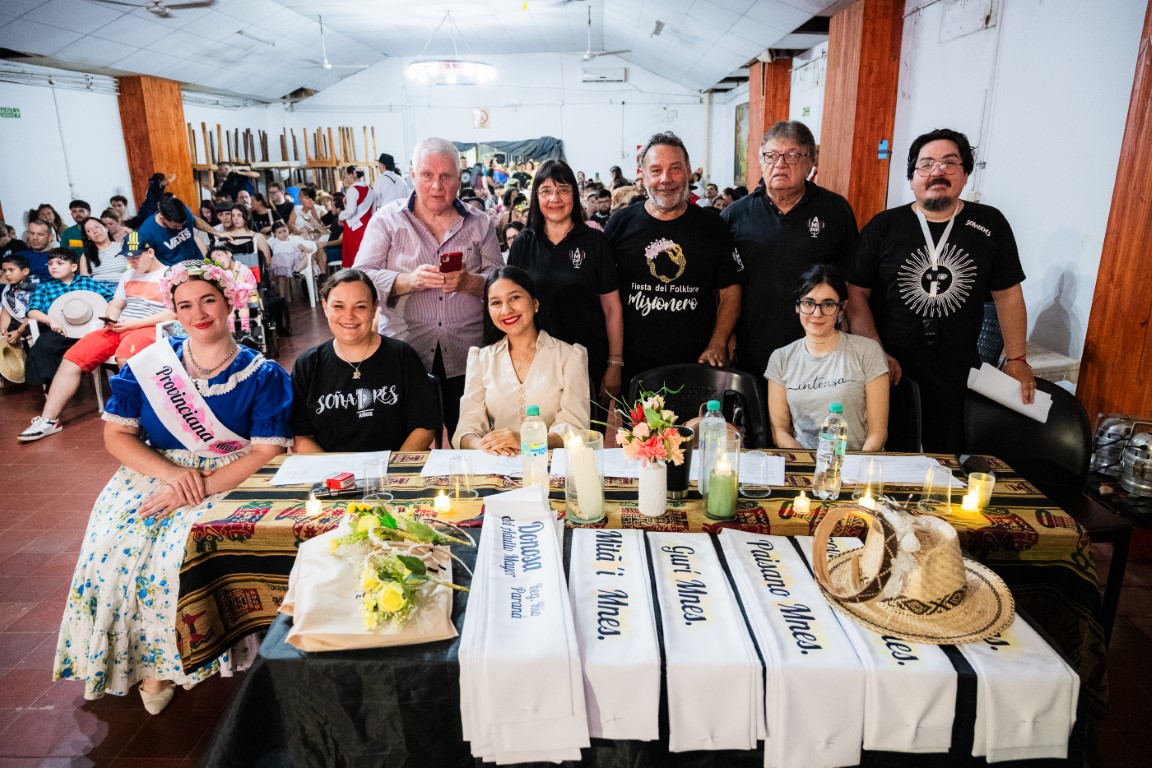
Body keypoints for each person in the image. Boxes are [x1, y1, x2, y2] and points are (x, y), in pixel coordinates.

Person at [52, 258, 292, 713]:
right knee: (113, 549)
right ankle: (138, 660)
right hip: (156, 471)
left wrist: (201, 484)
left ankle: (181, 659)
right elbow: (117, 435)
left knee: (177, 555)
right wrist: (172, 476)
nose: (198, 313)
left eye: (208, 301)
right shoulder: (149, 365)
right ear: (174, 311)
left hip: (230, 475)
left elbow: (265, 452)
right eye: (185, 305)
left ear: (229, 302)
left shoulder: (262, 374)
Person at [846, 127, 1034, 452]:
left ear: (965, 174)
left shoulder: (990, 224)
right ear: (912, 178)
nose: (937, 172)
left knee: (948, 458)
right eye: (926, 164)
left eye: (949, 163)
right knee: (888, 454)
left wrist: (1017, 358)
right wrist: (875, 351)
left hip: (958, 368)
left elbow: (1008, 294)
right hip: (891, 366)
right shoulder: (884, 227)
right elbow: (855, 294)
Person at [353, 137, 503, 437]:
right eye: (427, 175)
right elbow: (359, 279)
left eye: (446, 176)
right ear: (412, 175)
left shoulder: (480, 223)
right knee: (405, 443)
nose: (436, 186)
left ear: (459, 179)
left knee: (473, 439)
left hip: (467, 355)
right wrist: (407, 281)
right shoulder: (387, 220)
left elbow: (501, 282)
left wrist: (470, 282)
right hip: (404, 355)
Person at [723, 121, 858, 383]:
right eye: (771, 155)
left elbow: (852, 280)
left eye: (792, 155)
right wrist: (724, 335)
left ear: (810, 163)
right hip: (752, 347)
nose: (780, 164)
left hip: (819, 348)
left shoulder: (836, 210)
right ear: (761, 161)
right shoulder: (735, 216)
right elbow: (722, 287)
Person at [605, 131, 744, 387]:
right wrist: (614, 361)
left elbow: (730, 290)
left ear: (688, 171)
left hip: (697, 366)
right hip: (634, 367)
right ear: (643, 175)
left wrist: (718, 342)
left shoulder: (712, 226)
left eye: (675, 169)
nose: (665, 179)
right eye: (656, 170)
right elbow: (606, 297)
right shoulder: (619, 225)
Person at [17, 235, 174, 442]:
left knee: (125, 358)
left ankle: (143, 422)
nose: (132, 262)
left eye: (136, 257)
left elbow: (174, 313)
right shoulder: (128, 275)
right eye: (128, 258)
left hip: (150, 327)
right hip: (122, 326)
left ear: (150, 252)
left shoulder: (170, 275)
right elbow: (116, 303)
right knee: (72, 357)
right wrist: (112, 317)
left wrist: (134, 324)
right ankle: (49, 420)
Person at [508, 159, 624, 408]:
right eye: (546, 191)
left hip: (588, 360)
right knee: (538, 429)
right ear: (536, 197)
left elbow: (612, 308)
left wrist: (615, 363)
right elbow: (512, 307)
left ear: (574, 194)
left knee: (586, 431)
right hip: (536, 363)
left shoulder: (595, 241)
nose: (555, 198)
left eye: (563, 190)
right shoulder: (523, 244)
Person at [292, 270, 439, 452]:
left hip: (394, 464)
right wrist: (333, 469)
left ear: (374, 308)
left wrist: (393, 465)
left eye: (360, 306)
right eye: (338, 306)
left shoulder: (402, 356)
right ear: (325, 307)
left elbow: (424, 427)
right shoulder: (308, 365)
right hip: (331, 468)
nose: (349, 316)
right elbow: (301, 436)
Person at [453, 266, 589, 454]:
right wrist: (486, 445)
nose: (506, 310)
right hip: (499, 461)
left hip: (553, 464)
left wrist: (528, 441)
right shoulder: (481, 359)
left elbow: (576, 427)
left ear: (535, 303)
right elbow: (466, 429)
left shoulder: (570, 356)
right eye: (496, 302)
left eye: (514, 297)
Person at [766, 265, 889, 452]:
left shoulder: (868, 351)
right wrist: (813, 464)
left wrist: (856, 466)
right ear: (797, 306)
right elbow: (780, 433)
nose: (817, 313)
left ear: (842, 308)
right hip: (806, 462)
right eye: (809, 303)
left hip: (860, 461)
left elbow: (878, 433)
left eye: (828, 304)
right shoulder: (781, 358)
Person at [21, 249, 116, 392]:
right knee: (45, 345)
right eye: (50, 264)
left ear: (73, 267)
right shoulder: (45, 287)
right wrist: (51, 320)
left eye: (59, 263)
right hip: (60, 332)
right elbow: (32, 311)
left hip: (89, 331)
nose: (53, 267)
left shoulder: (87, 282)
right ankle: (53, 386)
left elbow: (111, 300)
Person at [133, 195, 221, 266]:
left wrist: (218, 233)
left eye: (183, 224)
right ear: (162, 217)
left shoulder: (183, 210)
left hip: (197, 262)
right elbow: (142, 257)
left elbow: (194, 220)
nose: (180, 228)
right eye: (175, 226)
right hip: (174, 273)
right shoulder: (146, 232)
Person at [267, 221, 316, 301]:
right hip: (281, 262)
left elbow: (300, 246)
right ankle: (282, 297)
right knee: (281, 276)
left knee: (306, 256)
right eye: (280, 233)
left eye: (285, 231)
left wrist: (307, 249)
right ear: (274, 234)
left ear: (288, 229)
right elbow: (265, 247)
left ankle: (297, 271)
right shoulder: (272, 241)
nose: (283, 234)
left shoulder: (293, 239)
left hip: (293, 261)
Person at [79, 216, 130, 288]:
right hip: (98, 290)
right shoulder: (86, 256)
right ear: (88, 237)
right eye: (89, 231)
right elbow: (85, 282)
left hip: (122, 288)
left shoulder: (122, 247)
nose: (95, 231)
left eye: (96, 227)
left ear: (106, 228)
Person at [339, 165, 374, 268]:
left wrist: (341, 216)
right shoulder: (369, 189)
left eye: (345, 175)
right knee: (366, 254)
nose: (345, 177)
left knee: (354, 255)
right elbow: (373, 209)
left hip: (354, 228)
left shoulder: (352, 190)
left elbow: (350, 211)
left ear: (351, 175)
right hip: (367, 225)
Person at [1, 253, 33, 343]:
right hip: (17, 323)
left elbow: (32, 316)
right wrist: (3, 328)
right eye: (5, 270)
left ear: (25, 271)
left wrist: (18, 332)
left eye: (11, 270)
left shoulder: (33, 289)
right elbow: (6, 309)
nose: (7, 274)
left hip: (32, 324)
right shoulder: (8, 288)